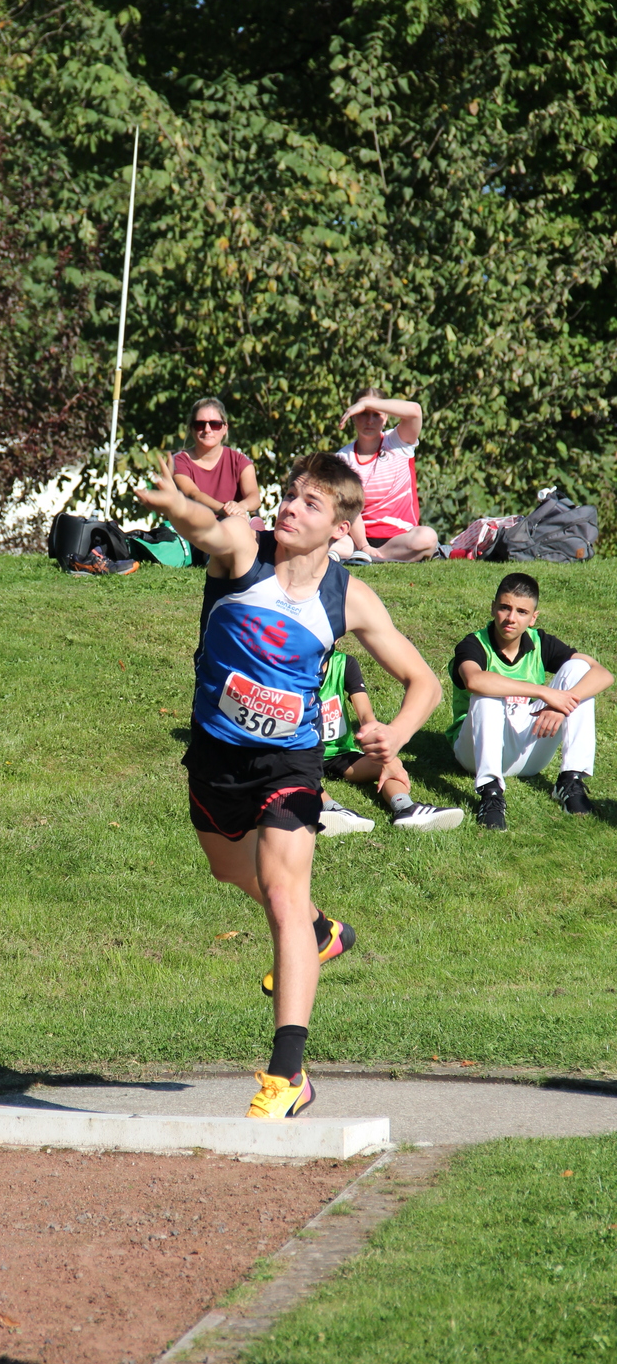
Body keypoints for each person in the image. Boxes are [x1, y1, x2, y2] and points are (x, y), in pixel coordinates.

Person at [136, 450, 441, 1121]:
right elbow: (208, 526)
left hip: (291, 765)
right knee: (228, 871)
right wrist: (177, 509)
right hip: (217, 755)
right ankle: (321, 932)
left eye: (308, 502)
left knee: (281, 892)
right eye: (288, 494)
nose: (289, 507)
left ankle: (287, 1076)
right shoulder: (246, 553)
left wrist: (396, 733)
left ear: (340, 526)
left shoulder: (349, 597)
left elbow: (425, 682)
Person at [447, 572, 613, 829]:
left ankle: (570, 781)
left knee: (579, 669)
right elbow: (474, 681)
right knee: (487, 692)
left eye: (521, 612)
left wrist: (561, 707)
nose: (511, 618)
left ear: (533, 617)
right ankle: (490, 793)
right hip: (474, 752)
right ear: (493, 608)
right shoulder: (473, 644)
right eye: (504, 608)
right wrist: (545, 693)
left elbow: (603, 674)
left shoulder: (540, 642)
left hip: (528, 750)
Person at [317, 649, 464, 834]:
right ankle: (330, 809)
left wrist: (384, 754)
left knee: (388, 764)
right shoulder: (289, 667)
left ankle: (406, 808)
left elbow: (365, 715)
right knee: (294, 775)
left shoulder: (344, 663)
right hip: (301, 752)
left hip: (340, 753)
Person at [332, 391, 439, 562]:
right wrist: (364, 545)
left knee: (427, 537)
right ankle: (365, 554)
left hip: (399, 539)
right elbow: (351, 508)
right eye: (363, 413)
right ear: (353, 416)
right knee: (320, 536)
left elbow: (415, 411)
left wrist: (366, 404)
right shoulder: (342, 459)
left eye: (376, 414)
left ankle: (368, 557)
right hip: (356, 538)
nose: (369, 420)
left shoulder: (398, 442)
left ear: (386, 417)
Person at [172, 398, 262, 523]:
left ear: (225, 428)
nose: (207, 430)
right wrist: (226, 510)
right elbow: (193, 494)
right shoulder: (178, 461)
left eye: (214, 424)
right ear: (191, 429)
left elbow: (254, 497)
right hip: (191, 533)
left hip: (232, 528)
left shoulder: (240, 461)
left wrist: (241, 507)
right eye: (200, 425)